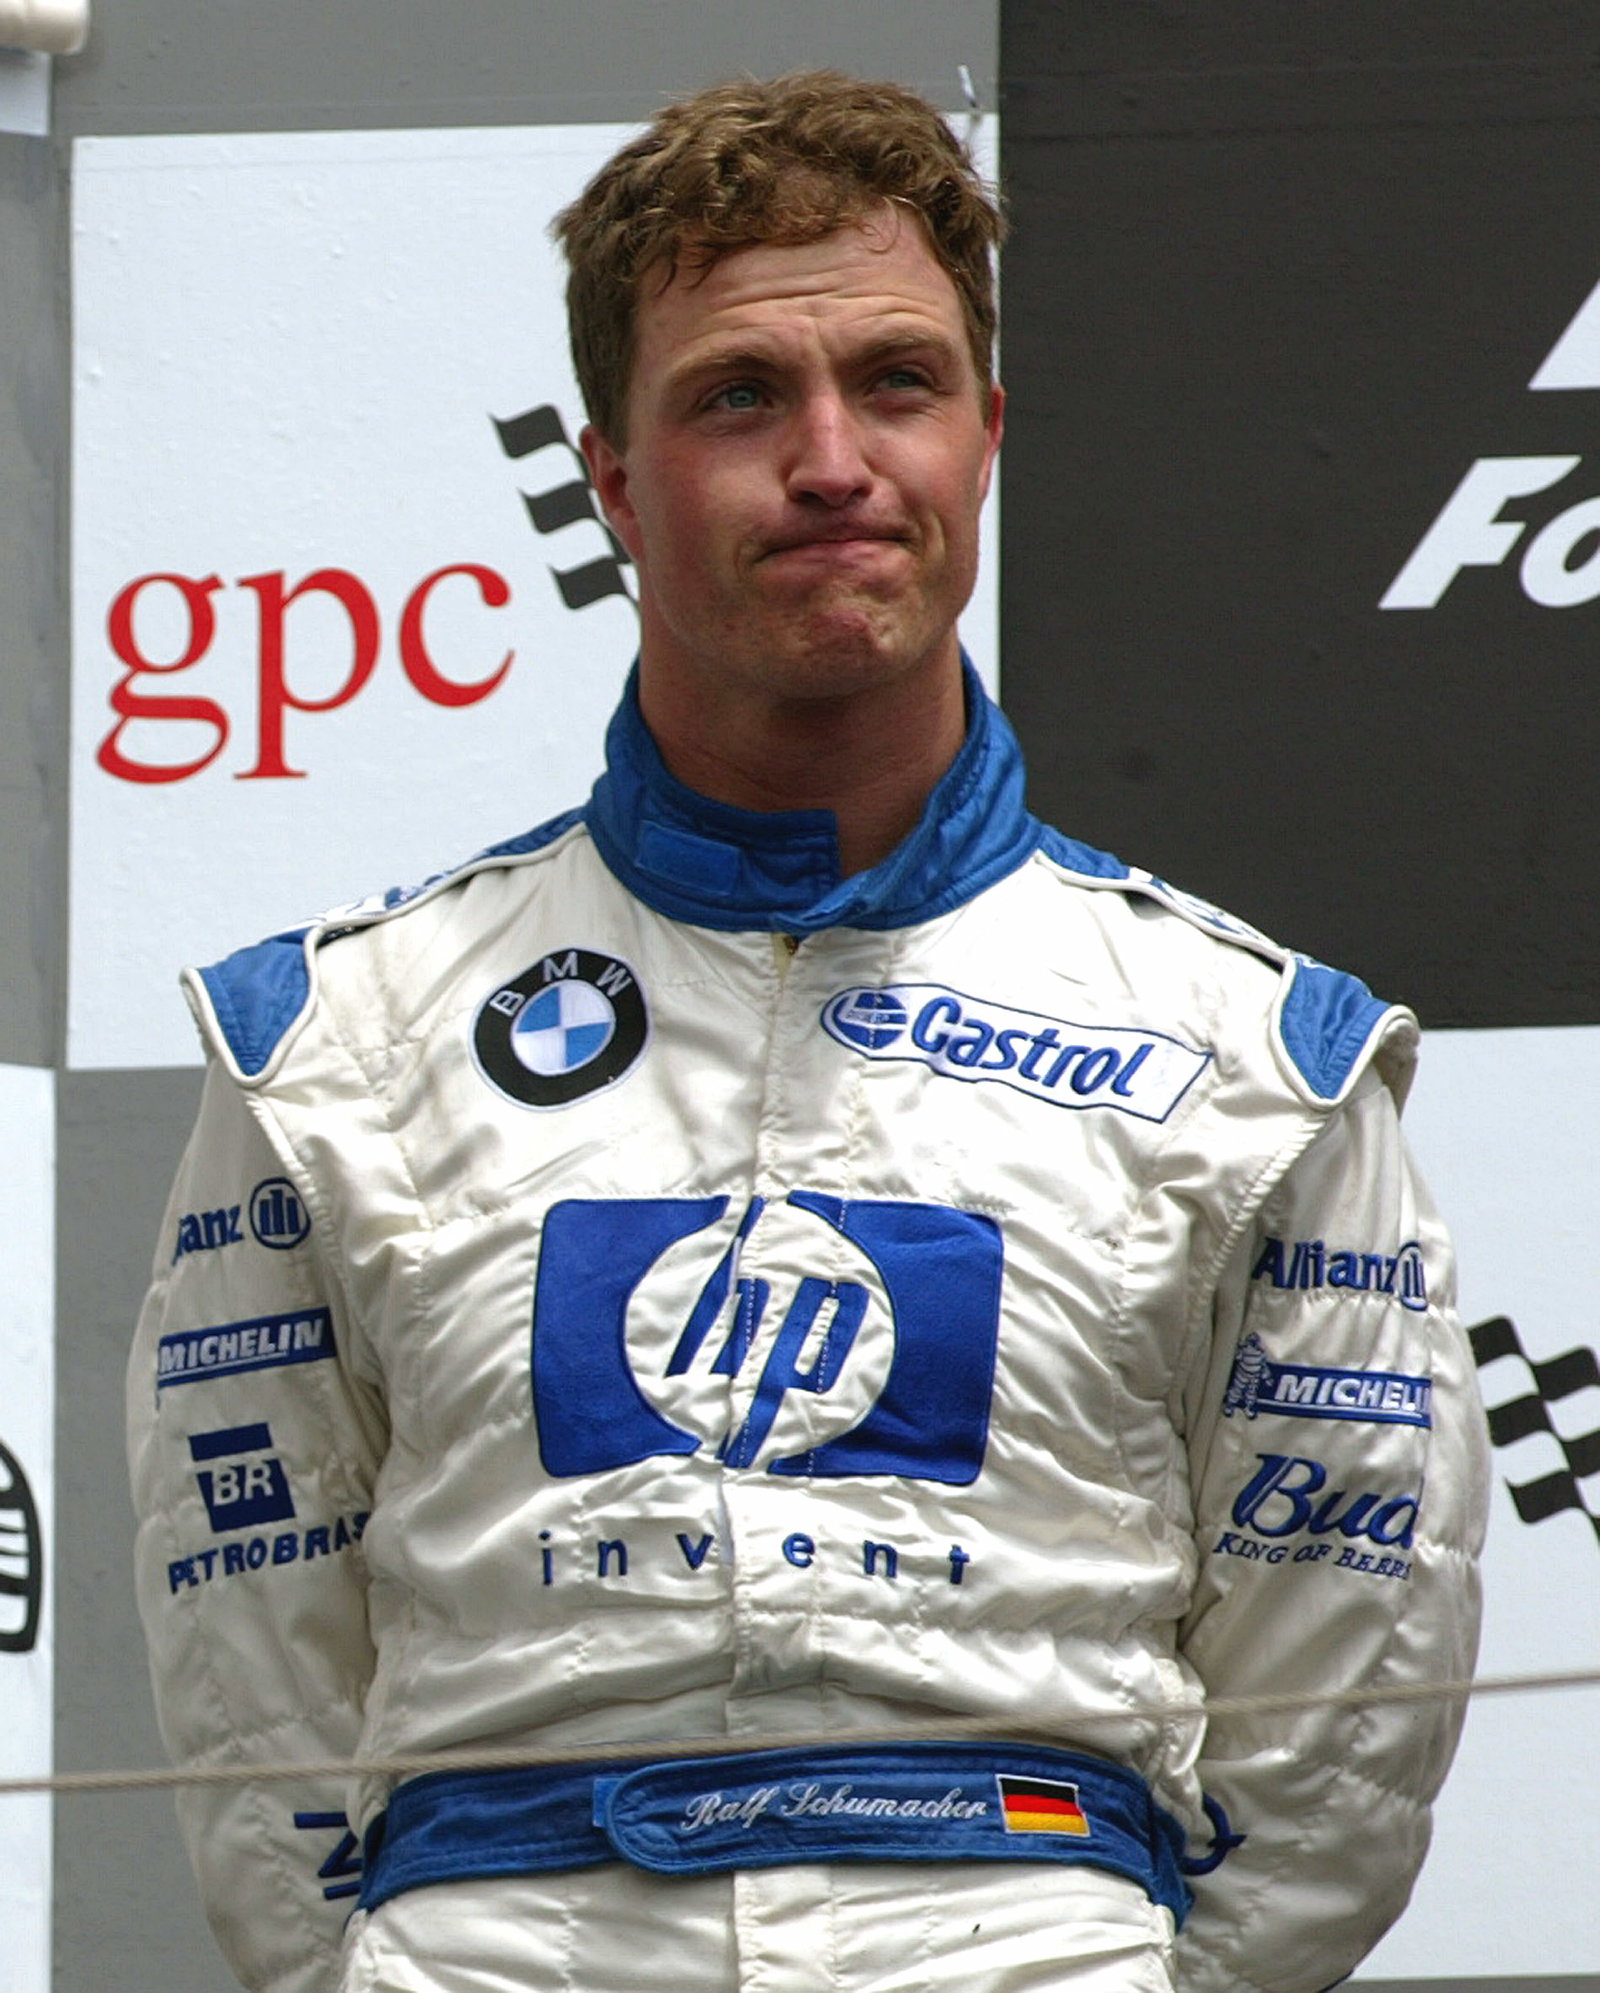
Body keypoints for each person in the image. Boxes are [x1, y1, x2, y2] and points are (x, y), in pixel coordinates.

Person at [127, 70, 1489, 1993]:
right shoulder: (332, 1043)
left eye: (898, 382)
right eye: (741, 396)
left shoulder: (1256, 1057)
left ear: (988, 438)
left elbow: (1344, 1707)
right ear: (613, 483)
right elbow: (249, 1680)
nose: (833, 459)